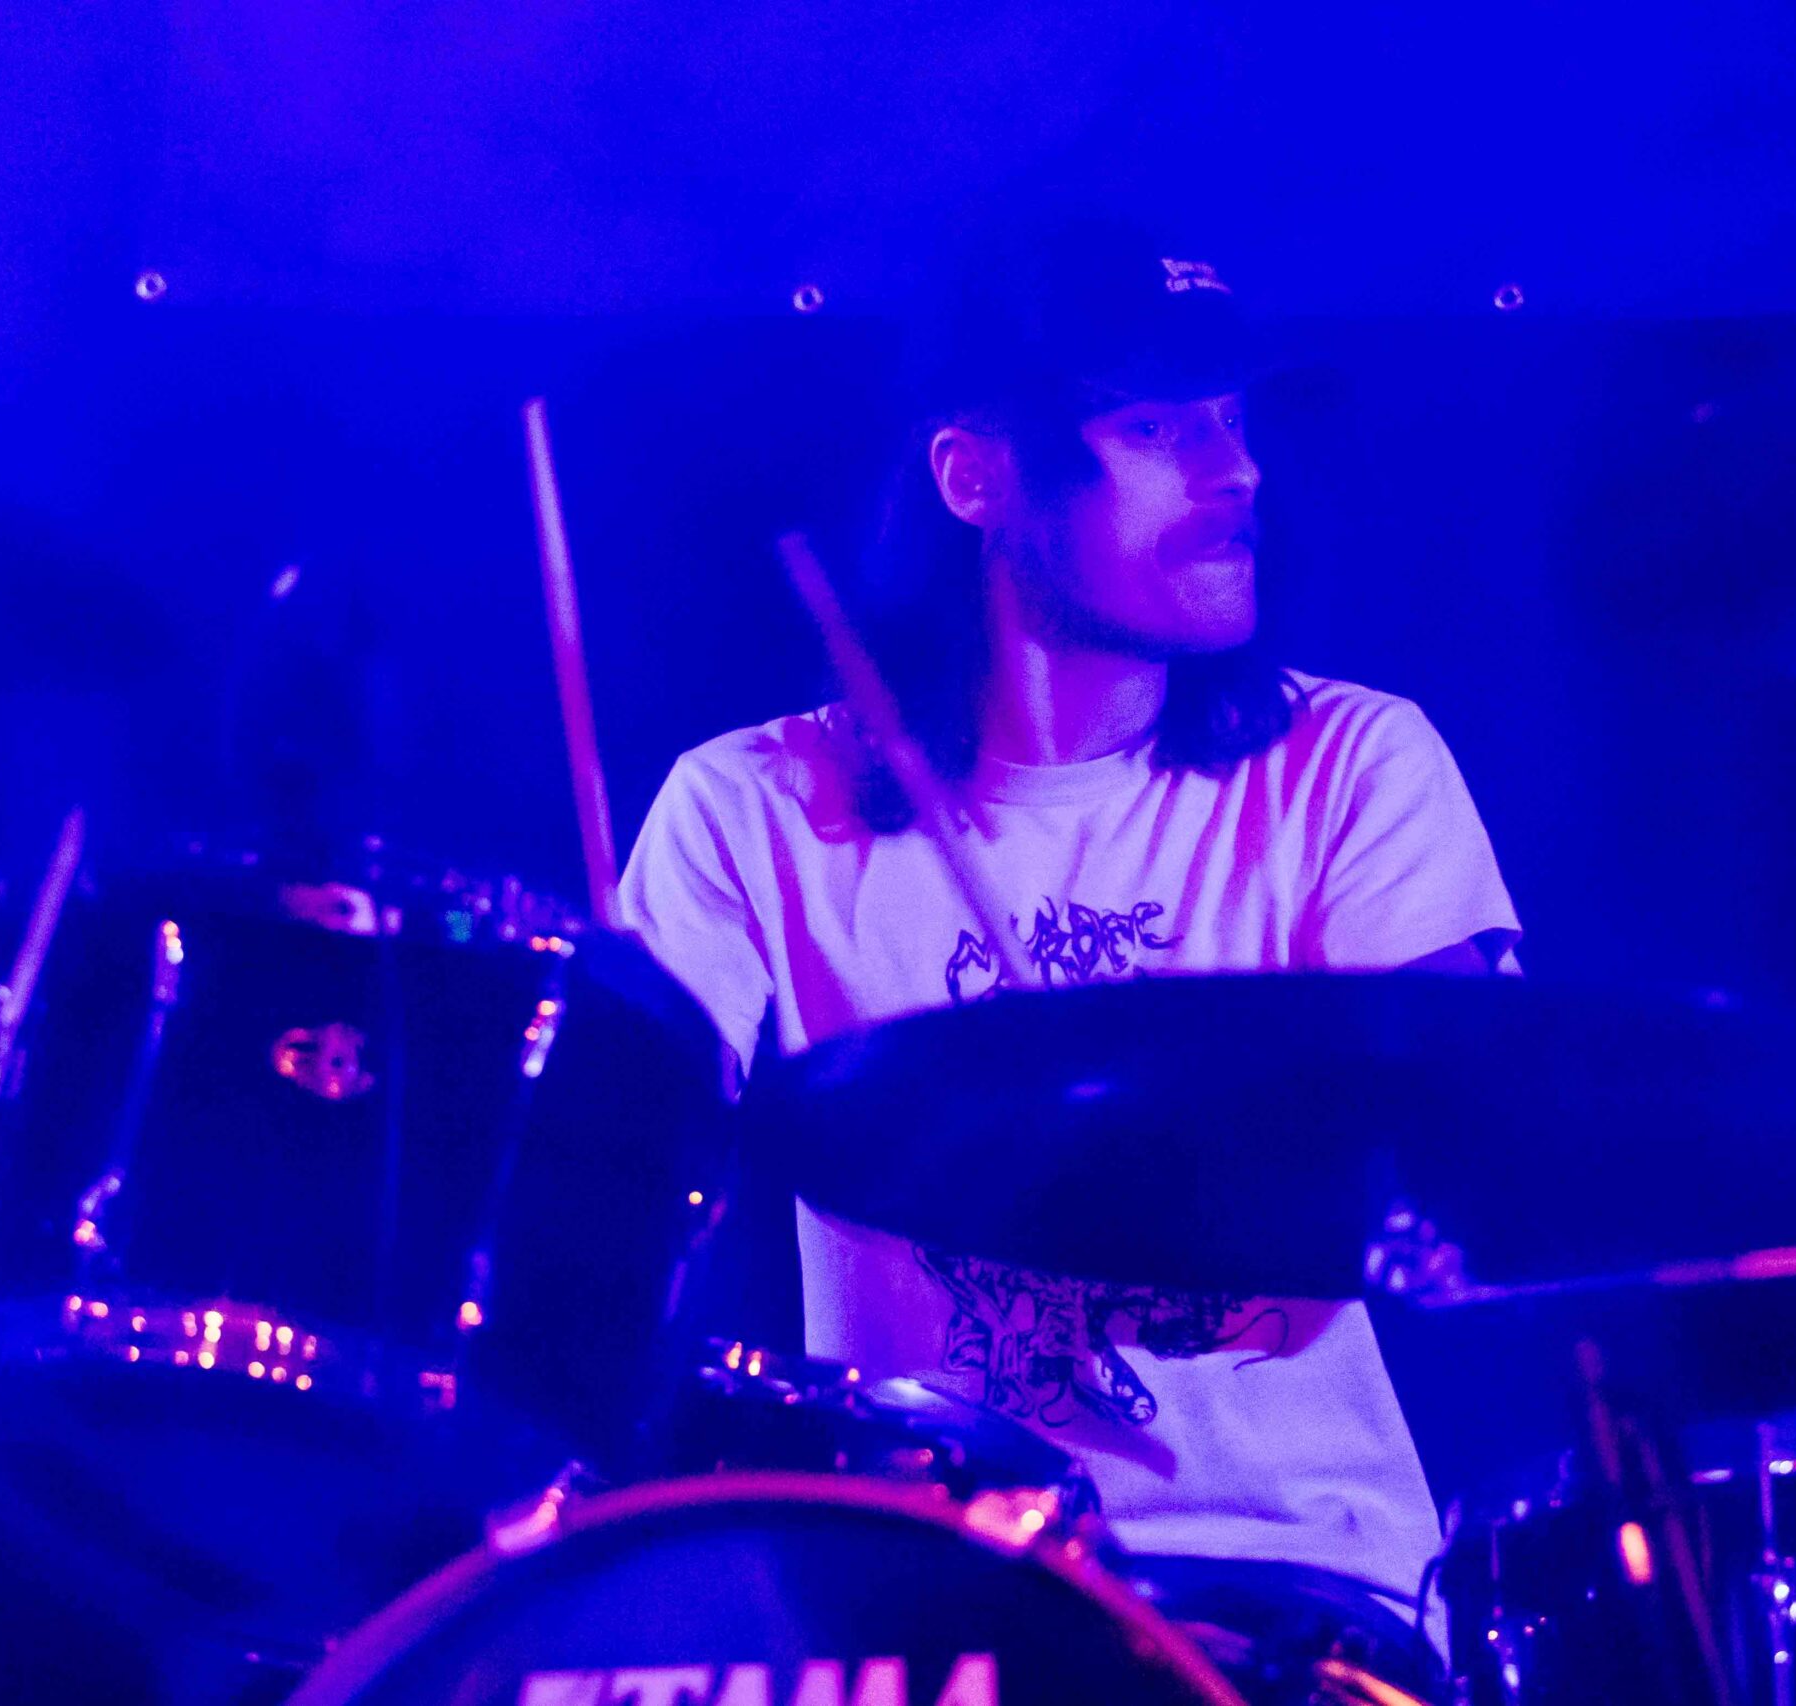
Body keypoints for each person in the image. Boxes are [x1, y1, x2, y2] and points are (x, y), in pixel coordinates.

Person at [617, 217, 1521, 1661]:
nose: (1235, 473)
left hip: (1304, 1590)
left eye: (1233, 420)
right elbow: (611, 1176)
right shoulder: (753, 806)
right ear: (974, 476)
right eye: (1156, 426)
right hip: (936, 1602)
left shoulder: (1351, 762)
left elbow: (1458, 1144)